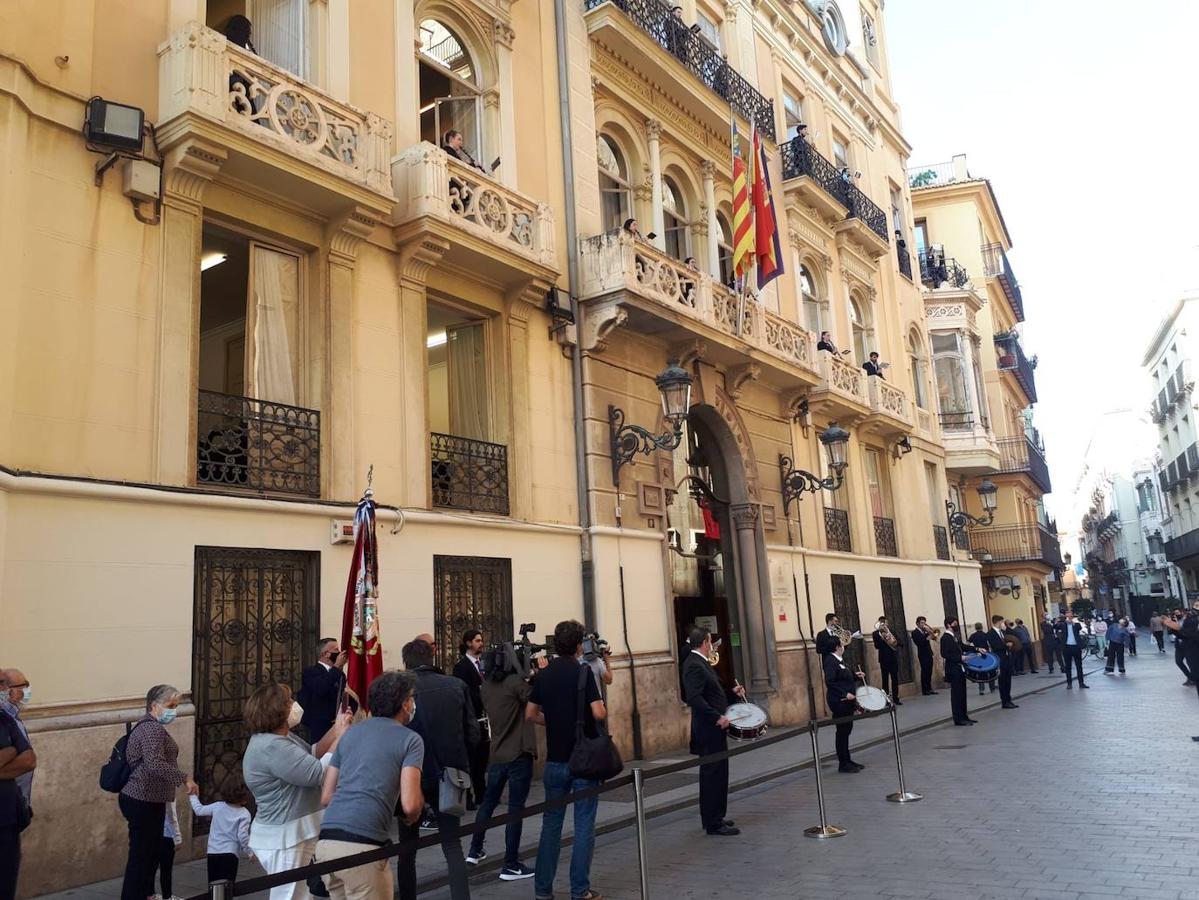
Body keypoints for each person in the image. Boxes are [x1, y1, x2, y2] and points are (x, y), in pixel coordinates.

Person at [318, 671, 424, 900]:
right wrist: (413, 813)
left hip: (327, 841)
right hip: (363, 847)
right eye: (412, 697)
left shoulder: (350, 735)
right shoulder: (410, 739)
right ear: (405, 703)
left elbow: (326, 796)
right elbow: (410, 804)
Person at [243, 682, 349, 900]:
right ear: (277, 710)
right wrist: (341, 737)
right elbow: (317, 773)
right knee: (289, 895)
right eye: (289, 701)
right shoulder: (272, 746)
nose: (294, 705)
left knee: (300, 894)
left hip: (292, 832)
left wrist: (336, 730)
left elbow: (311, 754)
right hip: (284, 837)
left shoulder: (280, 739)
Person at [528, 620, 607, 900]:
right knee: (584, 824)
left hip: (555, 761)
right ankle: (579, 890)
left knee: (551, 825)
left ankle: (543, 890)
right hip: (582, 760)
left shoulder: (544, 675)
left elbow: (529, 714)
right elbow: (598, 713)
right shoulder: (583, 672)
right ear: (578, 645)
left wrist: (551, 721)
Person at [399, 639, 480, 900]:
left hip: (410, 777)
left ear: (406, 662)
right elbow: (473, 734)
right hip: (451, 775)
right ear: (432, 656)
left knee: (407, 848)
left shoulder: (400, 690)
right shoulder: (456, 685)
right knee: (452, 845)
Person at [465, 644, 543, 880]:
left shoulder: (486, 687)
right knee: (515, 809)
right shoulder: (514, 684)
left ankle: (475, 849)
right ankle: (511, 863)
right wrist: (538, 676)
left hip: (497, 753)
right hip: (519, 752)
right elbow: (535, 699)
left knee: (488, 803)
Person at [120, 685, 198, 900]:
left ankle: (146, 895)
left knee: (148, 855)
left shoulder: (149, 727)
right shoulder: (151, 728)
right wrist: (184, 779)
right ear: (154, 706)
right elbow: (155, 763)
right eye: (170, 705)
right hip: (142, 798)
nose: (174, 710)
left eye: (176, 705)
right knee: (141, 857)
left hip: (148, 799)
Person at [683, 626, 745, 836]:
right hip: (708, 729)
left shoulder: (702, 662)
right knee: (711, 774)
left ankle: (717, 815)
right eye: (710, 641)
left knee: (719, 773)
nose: (712, 645)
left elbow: (713, 693)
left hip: (716, 727)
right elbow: (695, 698)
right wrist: (716, 717)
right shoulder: (693, 665)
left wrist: (733, 694)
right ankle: (712, 822)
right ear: (705, 642)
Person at [189, 774, 253, 883]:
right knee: (227, 887)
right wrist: (250, 852)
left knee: (213, 885)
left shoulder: (217, 806)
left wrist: (192, 795)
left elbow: (199, 810)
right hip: (230, 854)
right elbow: (242, 836)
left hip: (213, 852)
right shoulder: (244, 814)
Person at [452, 630, 490, 810]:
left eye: (481, 640)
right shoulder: (461, 667)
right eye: (477, 640)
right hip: (471, 719)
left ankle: (482, 794)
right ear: (468, 643)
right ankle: (468, 796)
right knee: (471, 760)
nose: (481, 643)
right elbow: (463, 693)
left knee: (482, 759)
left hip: (485, 719)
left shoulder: (484, 664)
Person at [0, 706, 34, 900]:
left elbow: (28, 760)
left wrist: (12, 751)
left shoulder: (4, 718)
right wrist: (9, 752)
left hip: (6, 819)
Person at [823, 636, 865, 772]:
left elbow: (844, 675)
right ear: (837, 647)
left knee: (846, 731)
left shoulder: (839, 660)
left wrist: (856, 675)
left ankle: (847, 759)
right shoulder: (830, 661)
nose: (843, 647)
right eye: (841, 644)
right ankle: (843, 763)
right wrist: (844, 693)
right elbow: (830, 681)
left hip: (848, 702)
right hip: (839, 702)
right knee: (842, 732)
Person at [298, 639, 347, 743]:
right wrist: (337, 667)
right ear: (326, 654)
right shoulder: (311, 672)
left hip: (337, 725)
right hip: (318, 727)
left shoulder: (340, 674)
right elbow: (320, 688)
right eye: (336, 650)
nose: (339, 653)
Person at [0, 670, 32, 811]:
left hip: (16, 801)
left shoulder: (11, 717)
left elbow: (28, 759)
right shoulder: (6, 716)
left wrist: (12, 751)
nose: (26, 691)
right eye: (23, 686)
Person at [940, 618, 978, 726]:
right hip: (953, 669)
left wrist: (976, 648)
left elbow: (963, 646)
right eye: (954, 624)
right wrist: (960, 657)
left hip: (960, 669)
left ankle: (964, 716)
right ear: (948, 625)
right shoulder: (945, 638)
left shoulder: (954, 637)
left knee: (962, 693)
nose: (956, 626)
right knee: (956, 695)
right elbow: (945, 654)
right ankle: (958, 718)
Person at [986, 616, 1017, 709]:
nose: (1003, 624)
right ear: (998, 622)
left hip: (1007, 658)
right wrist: (1007, 645)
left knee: (1008, 680)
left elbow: (1012, 636)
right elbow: (996, 646)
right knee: (1002, 681)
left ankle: (1009, 699)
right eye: (1002, 622)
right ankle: (1004, 701)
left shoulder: (1003, 632)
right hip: (1000, 659)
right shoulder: (990, 633)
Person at [156, 798, 183, 900]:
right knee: (166, 869)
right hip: (166, 835)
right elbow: (171, 816)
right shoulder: (167, 791)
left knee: (151, 867)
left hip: (151, 834)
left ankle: (150, 894)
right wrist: (177, 837)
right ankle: (167, 896)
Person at [872, 617, 901, 705]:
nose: (884, 625)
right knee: (885, 680)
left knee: (895, 679)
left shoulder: (892, 631)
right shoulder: (876, 634)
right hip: (884, 659)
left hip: (893, 658)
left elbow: (899, 642)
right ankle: (886, 700)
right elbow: (876, 646)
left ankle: (896, 698)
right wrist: (883, 638)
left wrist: (893, 640)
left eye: (885, 623)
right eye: (882, 623)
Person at [1056, 611, 1089, 689]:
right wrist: (1061, 621)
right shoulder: (1063, 624)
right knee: (1068, 666)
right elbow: (1056, 626)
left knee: (1079, 666)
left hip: (1076, 647)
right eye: (1068, 617)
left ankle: (1081, 683)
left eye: (1070, 616)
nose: (1069, 618)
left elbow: (1079, 627)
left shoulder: (1076, 624)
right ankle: (1069, 683)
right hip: (1067, 647)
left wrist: (1073, 623)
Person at [910, 618, 937, 696]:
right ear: (917, 624)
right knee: (924, 671)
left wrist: (931, 633)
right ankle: (924, 690)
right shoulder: (915, 633)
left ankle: (929, 688)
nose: (924, 625)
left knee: (929, 671)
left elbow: (934, 638)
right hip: (922, 654)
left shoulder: (925, 631)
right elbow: (919, 643)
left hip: (929, 653)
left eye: (924, 623)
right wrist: (926, 636)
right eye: (922, 623)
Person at [969, 624, 995, 696]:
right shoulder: (985, 634)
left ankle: (981, 690)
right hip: (986, 655)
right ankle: (992, 688)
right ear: (982, 627)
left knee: (980, 672)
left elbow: (969, 643)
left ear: (975, 628)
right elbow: (989, 644)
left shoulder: (973, 635)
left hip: (978, 655)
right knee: (989, 670)